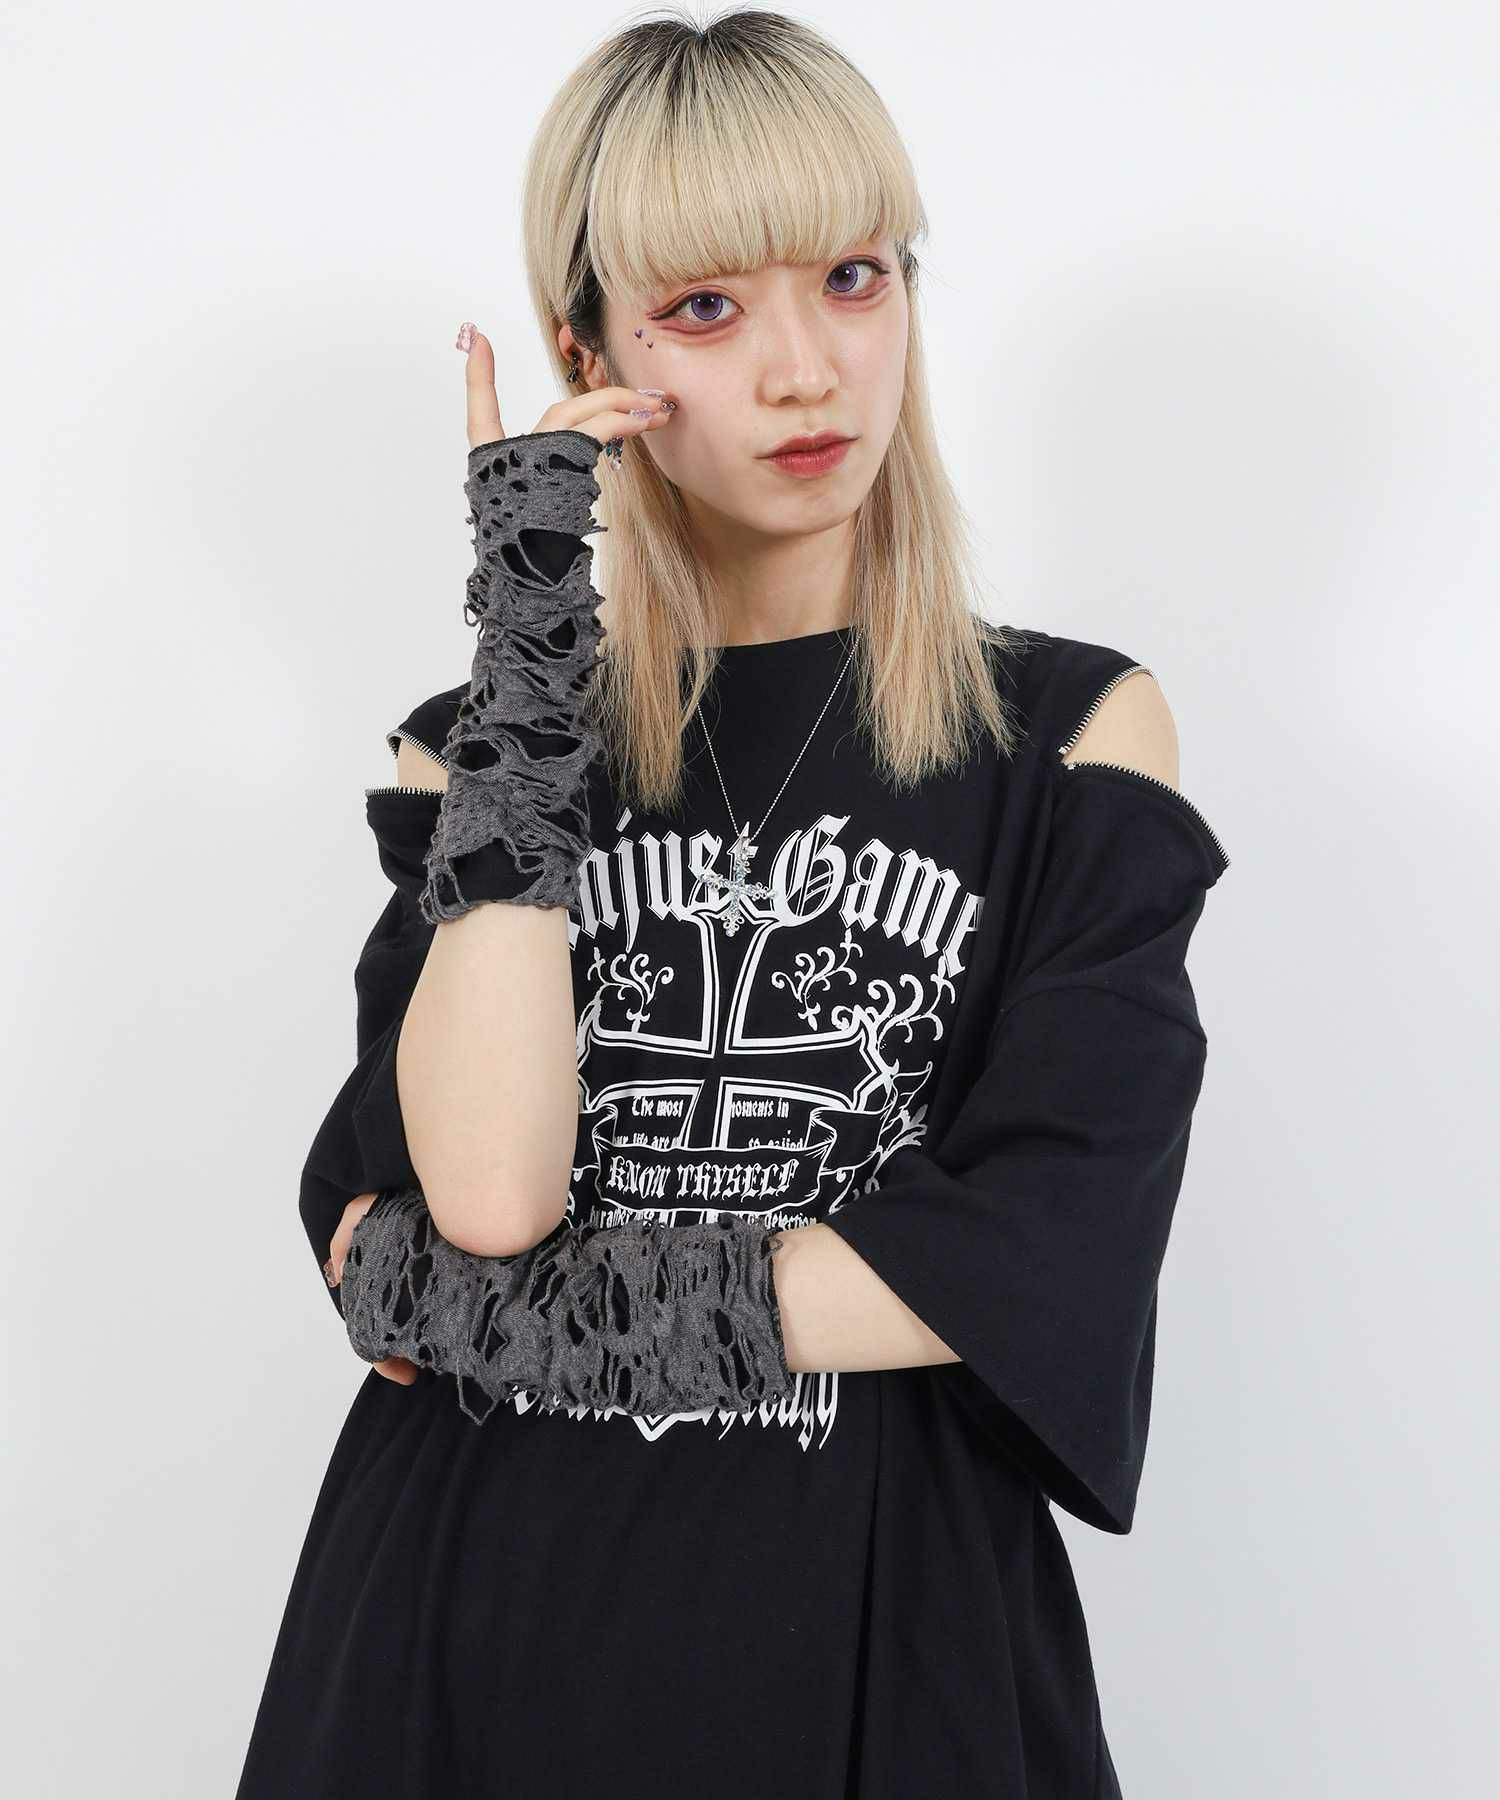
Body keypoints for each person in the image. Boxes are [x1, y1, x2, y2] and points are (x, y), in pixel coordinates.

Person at [234, 10, 1231, 1797]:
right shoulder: (474, 748)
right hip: (460, 1633)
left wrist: (489, 1311)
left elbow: (1041, 1249)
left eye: (853, 276)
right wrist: (531, 636)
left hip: (876, 1637)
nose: (803, 369)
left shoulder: (1073, 734)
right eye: (704, 307)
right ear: (587, 351)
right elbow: (485, 1191)